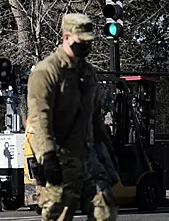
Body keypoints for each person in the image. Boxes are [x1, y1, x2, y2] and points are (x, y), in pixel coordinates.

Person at [27, 13, 118, 221]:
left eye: (89, 42)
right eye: (81, 41)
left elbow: (94, 114)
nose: (86, 46)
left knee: (105, 209)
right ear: (66, 37)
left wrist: (105, 145)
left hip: (88, 155)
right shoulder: (47, 72)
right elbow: (40, 118)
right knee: (60, 213)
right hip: (60, 157)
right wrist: (47, 156)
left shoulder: (88, 72)